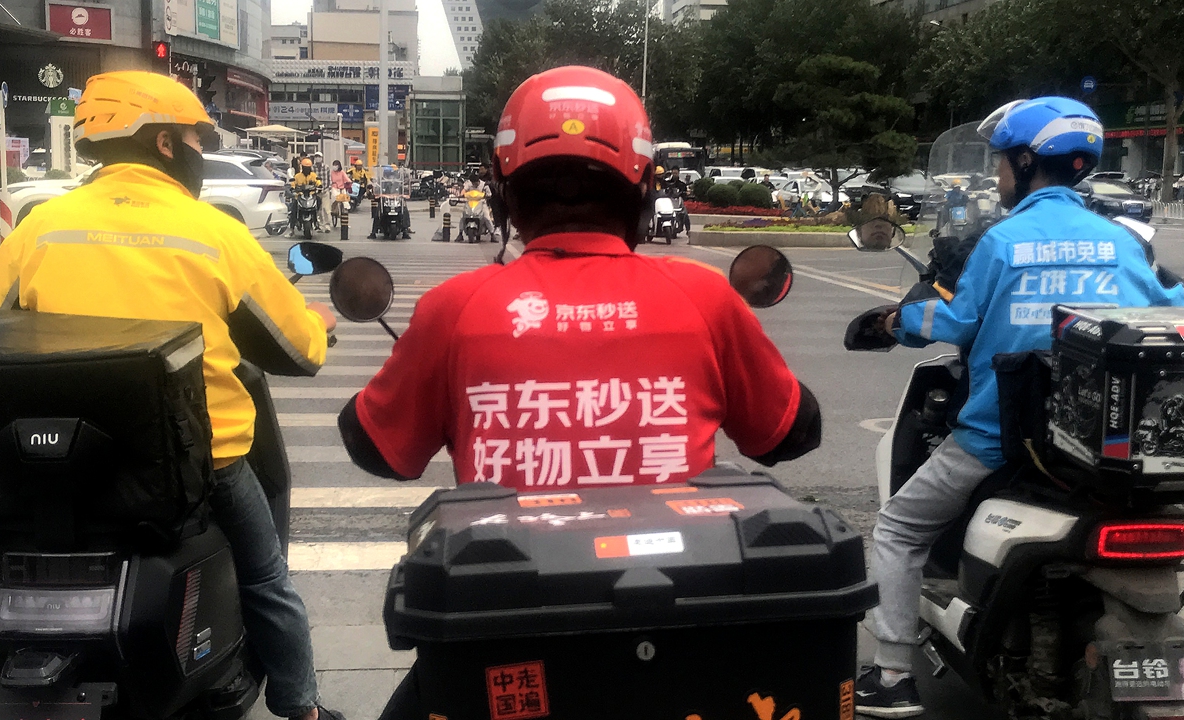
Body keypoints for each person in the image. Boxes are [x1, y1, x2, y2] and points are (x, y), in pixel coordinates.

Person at [0, 71, 343, 720]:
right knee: (268, 580)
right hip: (202, 463)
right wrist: (317, 328)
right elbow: (299, 350)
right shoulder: (213, 233)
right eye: (196, 138)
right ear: (166, 144)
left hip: (56, 468)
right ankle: (302, 707)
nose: (202, 151)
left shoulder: (39, 230)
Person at [337, 63, 821, 503]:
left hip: (504, 589)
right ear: (645, 191)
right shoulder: (705, 298)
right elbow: (790, 434)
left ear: (503, 193)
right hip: (670, 587)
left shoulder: (453, 309)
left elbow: (379, 450)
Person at [853, 97, 1184, 718]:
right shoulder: (1119, 241)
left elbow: (954, 318)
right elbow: (1172, 303)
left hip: (1002, 436)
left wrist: (897, 320)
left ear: (1027, 162)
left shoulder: (1003, 241)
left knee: (898, 528)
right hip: (1113, 443)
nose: (999, 176)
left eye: (1003, 163)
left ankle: (894, 675)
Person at [457, 165, 498, 242]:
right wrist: (461, 195)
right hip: (470, 203)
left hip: (481, 203)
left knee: (487, 218)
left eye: (475, 183)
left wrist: (487, 196)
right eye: (473, 183)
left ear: (478, 181)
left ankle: (492, 235)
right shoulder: (469, 183)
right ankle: (460, 234)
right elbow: (464, 190)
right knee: (462, 217)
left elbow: (489, 194)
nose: (474, 185)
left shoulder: (484, 185)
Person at [290, 158, 323, 237]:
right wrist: (293, 188)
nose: (307, 169)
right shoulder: (297, 176)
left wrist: (319, 186)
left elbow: (318, 182)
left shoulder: (313, 175)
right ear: (302, 167)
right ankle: (291, 229)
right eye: (305, 167)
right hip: (300, 196)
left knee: (319, 200)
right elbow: (293, 183)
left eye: (308, 168)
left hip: (311, 195)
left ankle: (316, 217)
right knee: (293, 209)